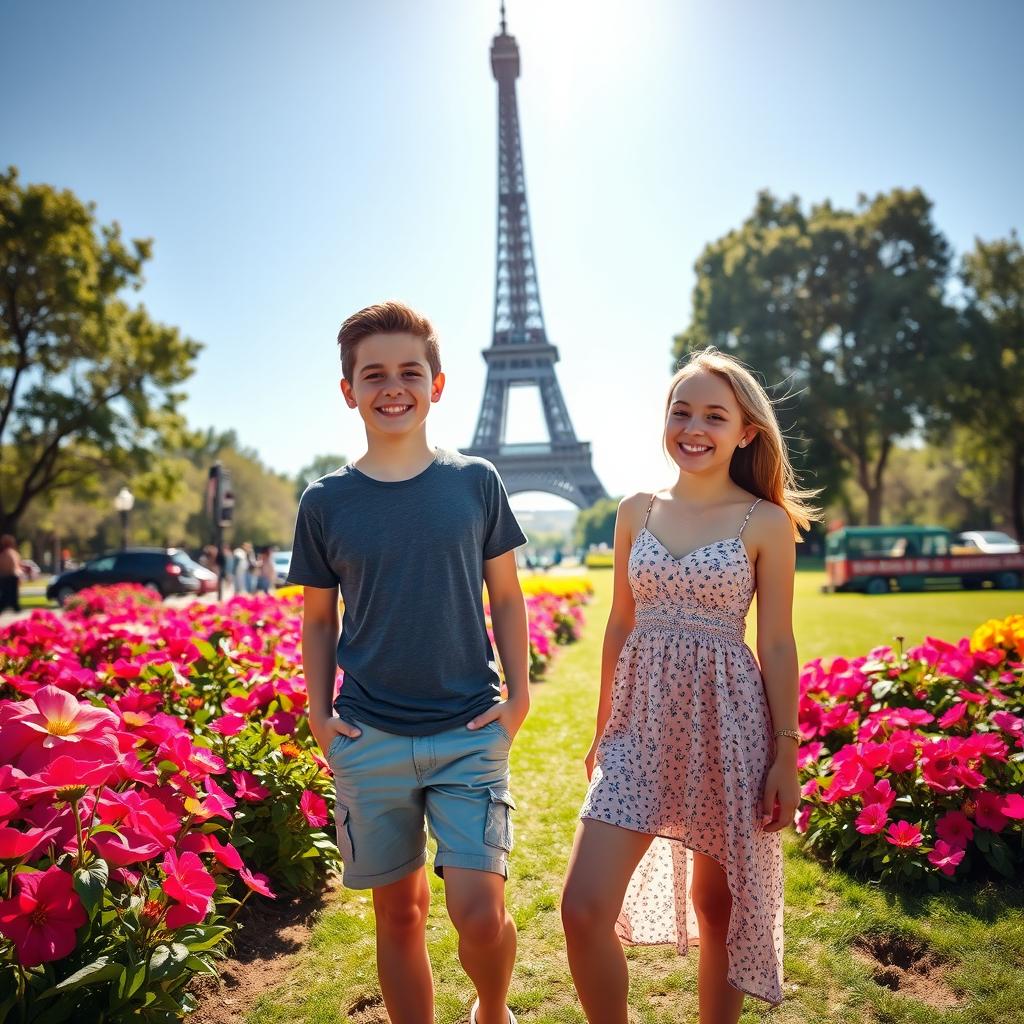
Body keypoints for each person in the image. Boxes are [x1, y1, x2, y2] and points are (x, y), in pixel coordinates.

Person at [560, 347, 820, 1022]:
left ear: (746, 432)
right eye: (681, 411)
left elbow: (777, 641)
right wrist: (601, 732)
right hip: (637, 729)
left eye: (714, 414)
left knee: (718, 903)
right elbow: (620, 626)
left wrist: (786, 752)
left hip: (728, 724)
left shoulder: (764, 522)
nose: (694, 427)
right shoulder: (634, 511)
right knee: (582, 908)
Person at [287, 301, 529, 1024]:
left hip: (467, 727)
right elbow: (318, 617)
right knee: (399, 914)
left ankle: (492, 1011)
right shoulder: (325, 502)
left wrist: (517, 699)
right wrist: (319, 714)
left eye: (409, 371)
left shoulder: (475, 482)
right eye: (374, 374)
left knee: (479, 911)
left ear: (439, 383)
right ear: (348, 390)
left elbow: (508, 598)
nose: (393, 387)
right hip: (371, 736)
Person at [0, 535, 23, 613]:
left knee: (6, 594)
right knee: (12, 594)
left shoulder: (3, 554)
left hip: (5, 576)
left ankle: (14, 607)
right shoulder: (12, 553)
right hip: (11, 576)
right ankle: (15, 607)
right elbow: (16, 566)